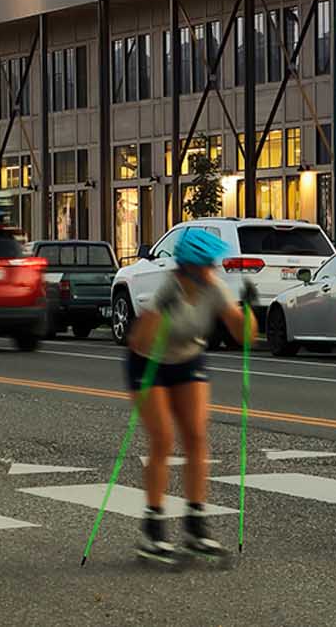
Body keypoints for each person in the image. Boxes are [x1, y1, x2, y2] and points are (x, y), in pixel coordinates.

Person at [124, 223, 250, 563]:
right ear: (189, 266)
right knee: (163, 439)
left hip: (187, 358)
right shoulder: (168, 289)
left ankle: (196, 525)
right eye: (207, 264)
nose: (213, 269)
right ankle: (152, 528)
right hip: (148, 363)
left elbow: (244, 336)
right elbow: (138, 341)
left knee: (196, 436)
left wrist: (246, 312)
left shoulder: (214, 288)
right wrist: (159, 313)